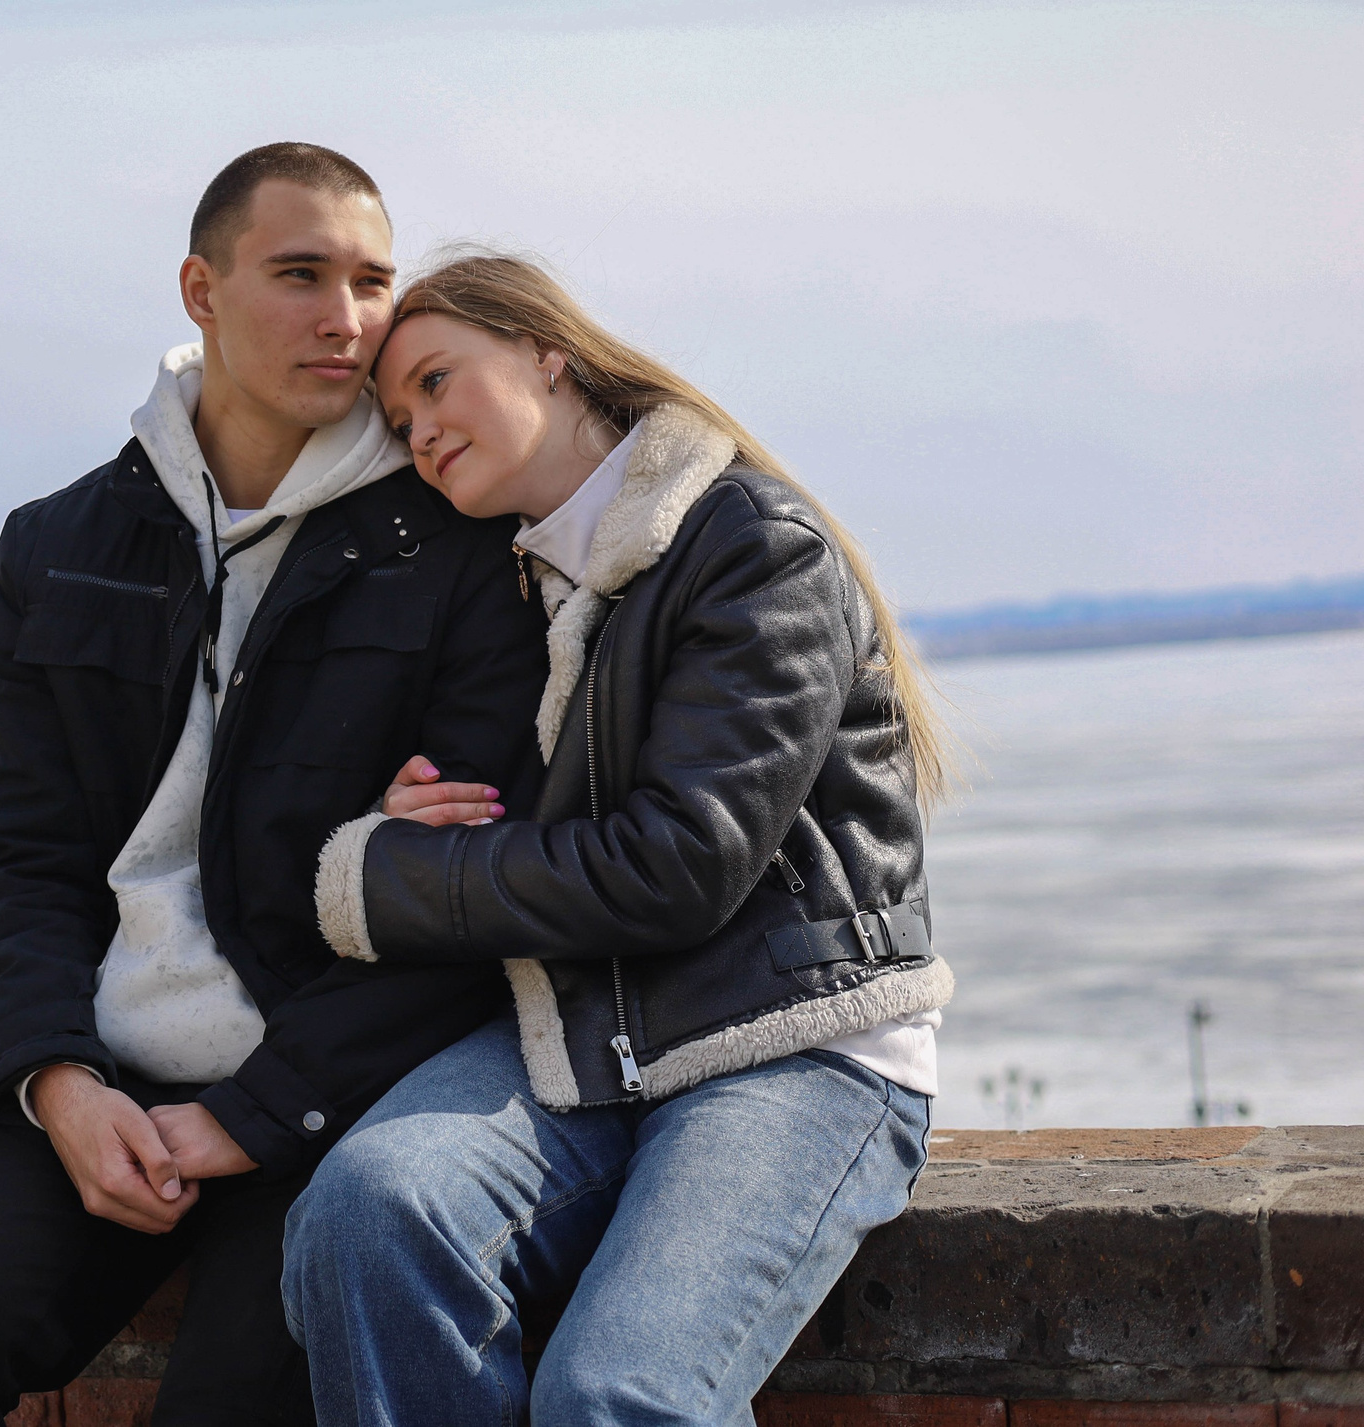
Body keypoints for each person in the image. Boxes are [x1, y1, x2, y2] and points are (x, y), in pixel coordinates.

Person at [0, 147, 549, 1426]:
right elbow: (26, 861)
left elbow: (467, 899)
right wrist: (56, 1082)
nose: (346, 317)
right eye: (299, 274)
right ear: (200, 291)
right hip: (101, 1079)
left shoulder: (457, 549)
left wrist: (255, 1113)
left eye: (373, 281)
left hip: (326, 1094)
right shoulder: (58, 548)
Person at [284, 252, 954, 1427]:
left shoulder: (747, 543)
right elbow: (492, 810)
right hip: (586, 1035)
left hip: (791, 1047)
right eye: (399, 419)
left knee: (614, 1396)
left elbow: (674, 867)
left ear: (548, 351)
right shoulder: (519, 582)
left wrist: (382, 877)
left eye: (439, 382)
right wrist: (409, 812)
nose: (423, 430)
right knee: (363, 1215)